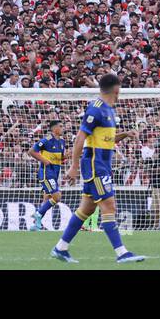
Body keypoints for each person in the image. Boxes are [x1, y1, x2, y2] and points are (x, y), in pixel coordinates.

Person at [51, 75, 146, 264]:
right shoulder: (96, 109)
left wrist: (126, 134)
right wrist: (74, 166)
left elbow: (106, 141)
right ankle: (122, 252)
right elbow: (80, 138)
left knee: (86, 209)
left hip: (101, 165)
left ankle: (60, 248)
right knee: (109, 206)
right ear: (117, 89)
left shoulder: (108, 110)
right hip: (95, 166)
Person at [28, 120, 66, 231]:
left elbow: (61, 158)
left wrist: (67, 156)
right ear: (54, 129)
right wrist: (45, 161)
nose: (63, 128)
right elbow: (32, 151)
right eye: (61, 126)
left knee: (47, 199)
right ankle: (38, 214)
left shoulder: (62, 141)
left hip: (55, 173)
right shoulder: (47, 140)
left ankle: (36, 225)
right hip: (47, 172)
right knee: (57, 197)